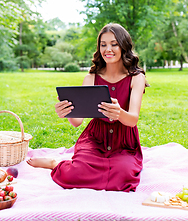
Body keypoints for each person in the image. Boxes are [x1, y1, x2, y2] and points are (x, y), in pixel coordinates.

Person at [27, 23, 147, 192]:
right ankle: (56, 163)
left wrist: (119, 113)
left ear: (124, 45)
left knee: (123, 177)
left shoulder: (136, 77)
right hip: (95, 139)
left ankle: (110, 167)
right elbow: (77, 122)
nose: (108, 49)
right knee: (74, 174)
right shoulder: (91, 78)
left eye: (114, 44)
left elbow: (132, 120)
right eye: (103, 44)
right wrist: (67, 111)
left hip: (123, 143)